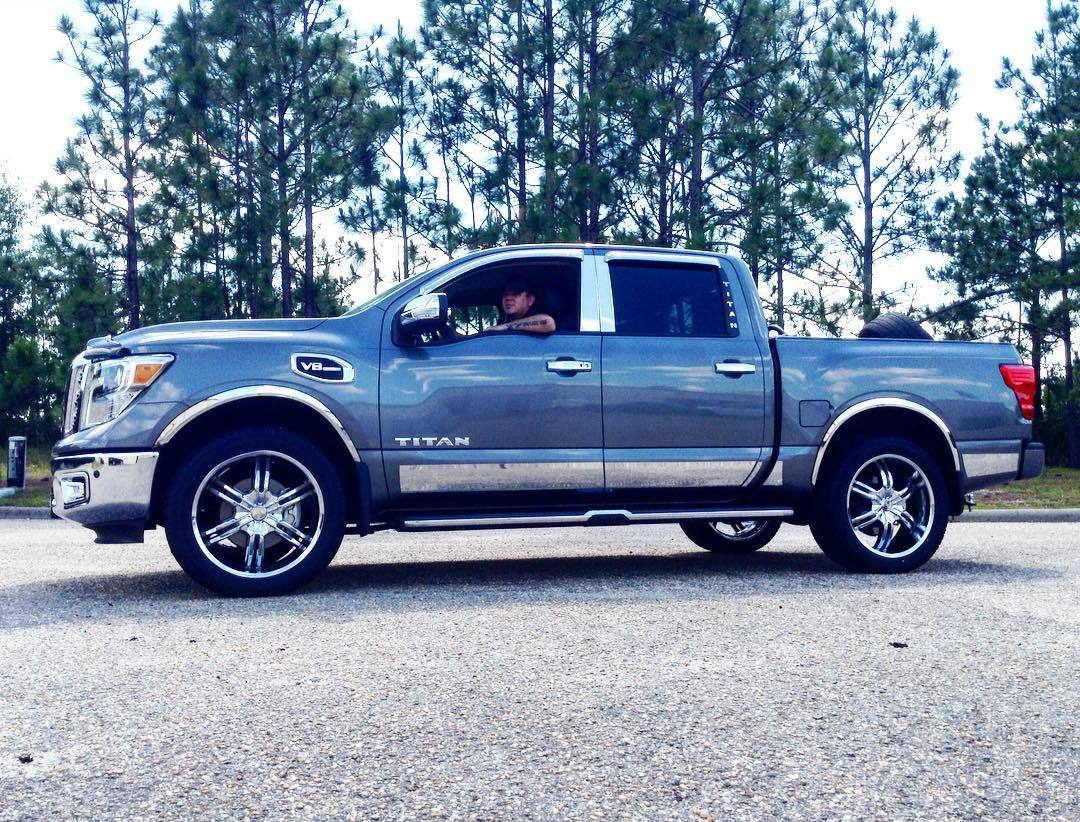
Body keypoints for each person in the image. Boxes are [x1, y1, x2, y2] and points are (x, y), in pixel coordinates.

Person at [487, 277, 556, 334]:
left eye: (515, 294)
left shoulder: (537, 318)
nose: (508, 298)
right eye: (505, 294)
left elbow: (548, 323)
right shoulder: (503, 321)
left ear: (530, 300)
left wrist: (504, 327)